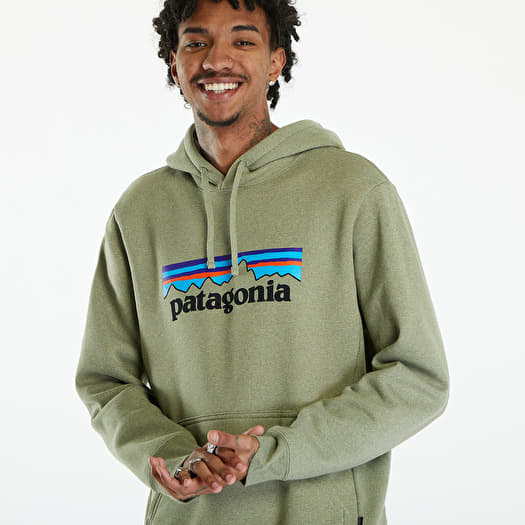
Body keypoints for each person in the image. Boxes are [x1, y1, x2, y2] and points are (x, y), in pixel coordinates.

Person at [75, 0, 449, 523]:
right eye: (196, 42)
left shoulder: (353, 189)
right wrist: (174, 456)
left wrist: (278, 452)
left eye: (243, 40)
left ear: (276, 60)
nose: (216, 60)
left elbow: (417, 376)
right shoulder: (140, 212)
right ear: (173, 62)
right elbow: (105, 381)